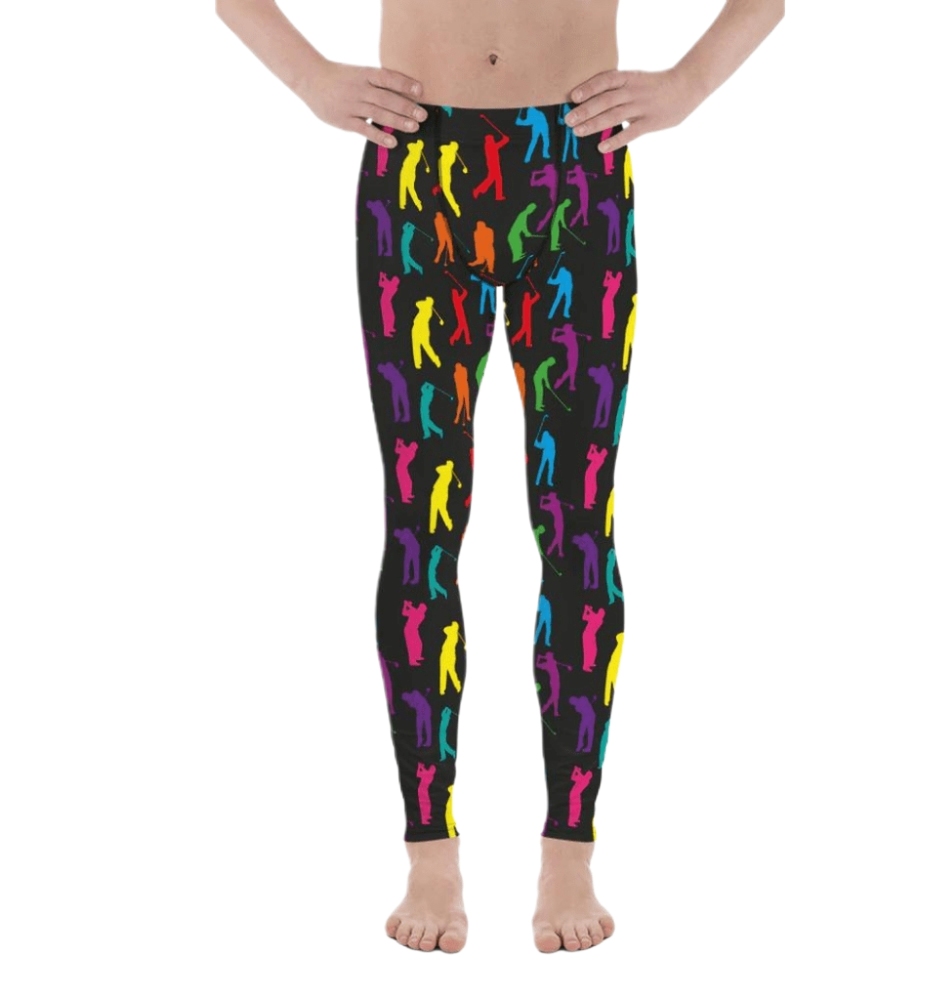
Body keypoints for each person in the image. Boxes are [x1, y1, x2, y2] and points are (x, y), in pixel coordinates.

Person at [216, 0, 784, 953]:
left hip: (576, 170)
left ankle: (570, 849)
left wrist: (687, 84)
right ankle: (429, 851)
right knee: (420, 527)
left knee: (577, 527)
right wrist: (312, 77)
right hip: (415, 169)